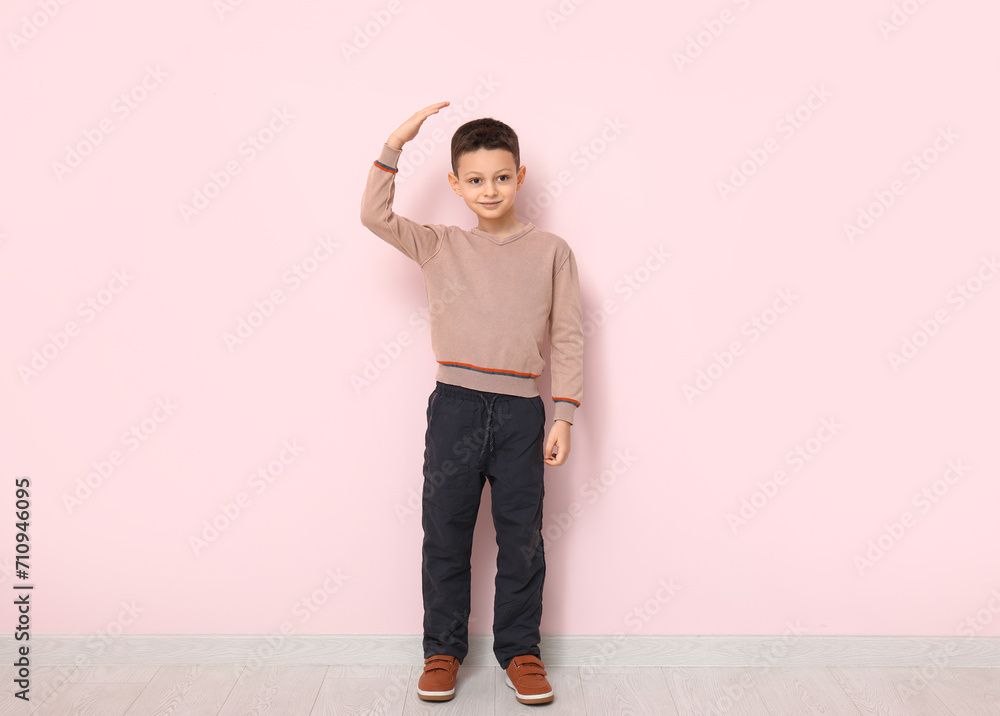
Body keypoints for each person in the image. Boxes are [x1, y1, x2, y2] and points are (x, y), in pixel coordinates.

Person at [360, 101, 583, 706]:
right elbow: (373, 215)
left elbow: (566, 335)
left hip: (520, 415)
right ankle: (442, 652)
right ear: (456, 185)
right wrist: (394, 142)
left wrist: (563, 414)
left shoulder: (552, 251)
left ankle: (521, 653)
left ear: (520, 176)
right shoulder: (439, 245)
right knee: (446, 534)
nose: (491, 189)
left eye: (502, 176)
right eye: (476, 179)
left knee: (522, 539)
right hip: (456, 405)